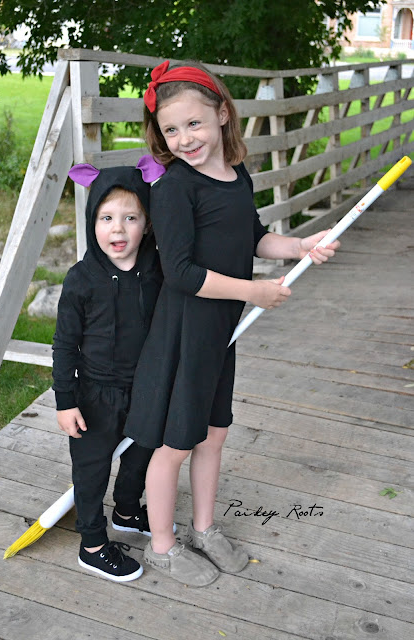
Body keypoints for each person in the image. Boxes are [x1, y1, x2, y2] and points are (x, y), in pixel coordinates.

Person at [123, 60, 341, 587]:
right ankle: (162, 545)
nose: (184, 139)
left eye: (193, 123)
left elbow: (254, 237)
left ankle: (203, 528)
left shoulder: (237, 176)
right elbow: (180, 273)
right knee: (175, 443)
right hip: (184, 333)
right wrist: (253, 291)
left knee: (214, 434)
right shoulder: (175, 188)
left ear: (222, 114)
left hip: (221, 332)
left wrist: (300, 245)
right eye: (171, 130)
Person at [52, 160, 164, 582]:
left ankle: (128, 511)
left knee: (141, 454)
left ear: (147, 223)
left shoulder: (156, 272)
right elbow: (65, 345)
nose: (118, 229)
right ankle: (93, 544)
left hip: (145, 387)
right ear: (91, 221)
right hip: (94, 396)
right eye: (106, 218)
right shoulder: (82, 279)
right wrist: (66, 402)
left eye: (130, 218)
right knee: (92, 469)